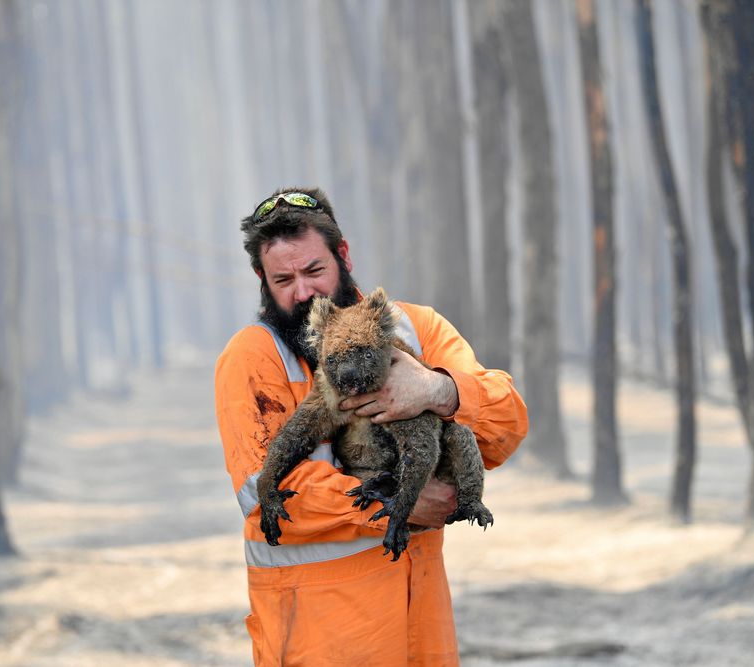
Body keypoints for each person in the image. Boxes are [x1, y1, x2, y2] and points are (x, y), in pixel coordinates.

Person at [214, 187, 528, 666]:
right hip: (317, 642)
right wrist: (390, 504)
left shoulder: (413, 328)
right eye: (283, 279)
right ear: (261, 279)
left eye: (314, 271)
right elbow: (264, 493)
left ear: (343, 255)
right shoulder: (253, 358)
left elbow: (507, 423)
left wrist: (438, 391)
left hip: (421, 632)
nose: (303, 292)